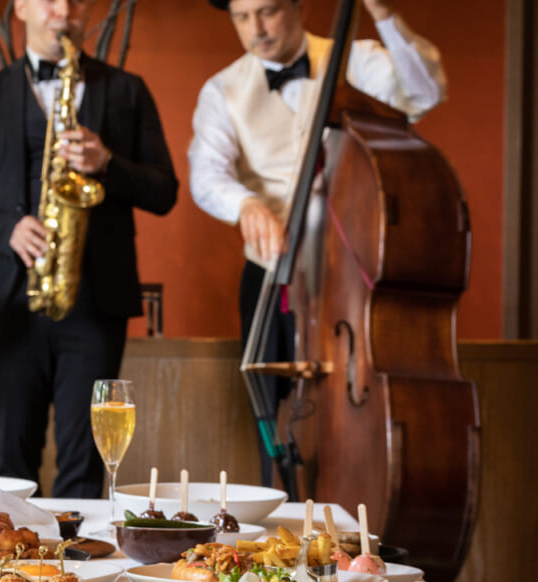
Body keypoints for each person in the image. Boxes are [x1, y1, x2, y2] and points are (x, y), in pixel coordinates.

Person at [188, 0, 446, 485]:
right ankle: (277, 512)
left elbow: (424, 92)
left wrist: (383, 14)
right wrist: (246, 204)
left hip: (353, 272)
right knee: (270, 403)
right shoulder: (222, 89)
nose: (255, 29)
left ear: (298, 6)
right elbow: (206, 176)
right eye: (241, 17)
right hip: (272, 273)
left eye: (266, 12)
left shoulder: (355, 58)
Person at [0, 0, 178, 497]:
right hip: (12, 304)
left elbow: (165, 192)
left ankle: (77, 571)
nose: (62, 10)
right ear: (19, 7)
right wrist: (6, 228)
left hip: (96, 302)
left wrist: (107, 162)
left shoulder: (128, 90)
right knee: (10, 463)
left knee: (85, 463)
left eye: (73, 0)